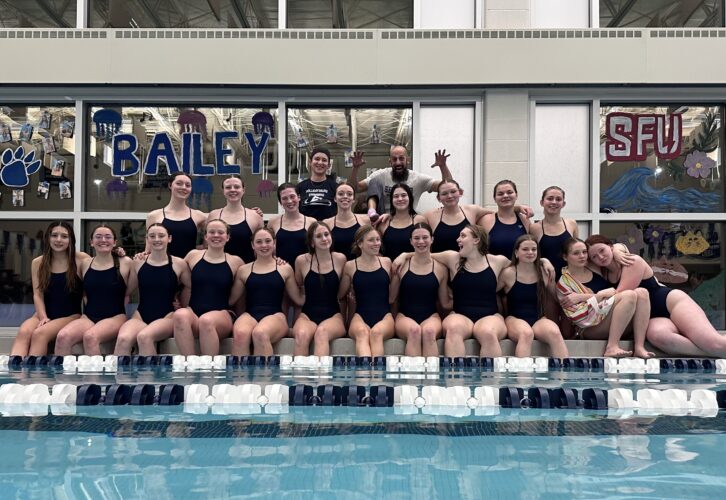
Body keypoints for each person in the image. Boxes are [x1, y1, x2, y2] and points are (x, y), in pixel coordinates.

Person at [586, 234, 726, 358]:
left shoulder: (632, 261)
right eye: (594, 257)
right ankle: (710, 353)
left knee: (714, 344)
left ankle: (715, 350)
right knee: (658, 337)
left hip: (671, 303)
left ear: (610, 247)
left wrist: (618, 249)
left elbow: (621, 294)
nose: (600, 257)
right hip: (652, 317)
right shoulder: (605, 273)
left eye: (602, 250)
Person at [557, 237, 650, 358]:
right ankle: (612, 347)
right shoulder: (564, 283)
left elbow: (610, 247)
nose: (582, 256)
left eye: (584, 252)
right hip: (589, 327)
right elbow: (579, 318)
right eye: (576, 253)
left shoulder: (594, 268)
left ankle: (639, 347)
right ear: (565, 257)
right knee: (629, 295)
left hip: (610, 319)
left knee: (642, 292)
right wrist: (601, 296)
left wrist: (616, 251)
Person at [55, 225, 136, 355]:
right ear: (91, 242)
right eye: (98, 237)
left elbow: (130, 290)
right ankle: (62, 369)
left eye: (108, 237)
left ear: (114, 242)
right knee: (62, 337)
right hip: (88, 317)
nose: (103, 240)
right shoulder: (85, 263)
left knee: (90, 337)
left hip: (115, 317)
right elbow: (84, 292)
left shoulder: (126, 262)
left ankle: (95, 370)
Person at [431, 225, 510, 358]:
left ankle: (489, 372)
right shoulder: (453, 258)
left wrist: (543, 261)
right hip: (460, 315)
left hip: (490, 317)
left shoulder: (497, 261)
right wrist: (404, 255)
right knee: (453, 330)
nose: (458, 239)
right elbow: (423, 255)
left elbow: (523, 264)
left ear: (476, 240)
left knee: (488, 333)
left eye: (463, 236)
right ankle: (455, 371)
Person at [114, 224, 191, 356]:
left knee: (144, 337)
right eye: (152, 236)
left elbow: (192, 287)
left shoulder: (179, 264)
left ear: (169, 238)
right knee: (123, 339)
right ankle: (119, 371)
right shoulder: (138, 262)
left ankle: (150, 371)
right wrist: (115, 254)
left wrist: (184, 306)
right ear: (147, 239)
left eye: (161, 236)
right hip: (140, 316)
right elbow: (127, 290)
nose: (157, 239)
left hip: (167, 316)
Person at [172, 219, 245, 356]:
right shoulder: (193, 256)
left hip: (222, 316)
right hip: (194, 313)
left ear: (228, 237)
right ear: (205, 236)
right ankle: (189, 362)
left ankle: (210, 366)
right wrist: (175, 298)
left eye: (220, 232)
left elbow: (241, 294)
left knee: (206, 320)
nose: (216, 235)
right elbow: (173, 274)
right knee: (180, 315)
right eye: (212, 232)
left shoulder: (236, 262)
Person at [12, 222, 84, 356]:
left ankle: (34, 369)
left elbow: (101, 264)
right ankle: (15, 368)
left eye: (64, 236)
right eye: (54, 235)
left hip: (70, 315)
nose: (58, 240)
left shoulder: (80, 259)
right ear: (48, 238)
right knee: (24, 332)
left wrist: (117, 253)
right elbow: (38, 295)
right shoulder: (38, 262)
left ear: (71, 240)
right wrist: (43, 317)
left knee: (40, 334)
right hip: (43, 314)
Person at [232, 227, 304, 356]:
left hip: (276, 316)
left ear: (274, 243)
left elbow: (298, 299)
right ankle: (240, 370)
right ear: (252, 245)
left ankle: (264, 370)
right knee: (240, 334)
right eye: (259, 242)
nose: (264, 245)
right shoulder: (243, 270)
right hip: (250, 315)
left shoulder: (284, 268)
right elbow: (232, 299)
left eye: (268, 241)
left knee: (260, 333)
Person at [499, 235, 568, 358]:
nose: (530, 252)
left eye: (534, 249)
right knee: (526, 334)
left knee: (555, 333)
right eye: (525, 249)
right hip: (514, 319)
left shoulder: (544, 272)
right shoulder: (508, 273)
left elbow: (557, 295)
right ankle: (522, 371)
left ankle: (563, 370)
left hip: (538, 319)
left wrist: (578, 301)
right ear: (516, 252)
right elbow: (488, 292)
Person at [389, 223, 450, 357]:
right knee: (414, 330)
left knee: (429, 331)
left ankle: (431, 371)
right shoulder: (402, 265)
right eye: (416, 238)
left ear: (432, 239)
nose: (421, 242)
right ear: (411, 241)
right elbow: (391, 298)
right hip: (404, 317)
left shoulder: (440, 268)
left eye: (425, 237)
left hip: (431, 316)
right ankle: (413, 371)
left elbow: (445, 303)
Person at [292, 222, 348, 356]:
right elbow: (299, 287)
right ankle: (301, 371)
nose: (324, 239)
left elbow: (344, 294)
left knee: (322, 333)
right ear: (312, 243)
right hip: (307, 316)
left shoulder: (340, 259)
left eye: (326, 234)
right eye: (318, 236)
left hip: (334, 316)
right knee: (301, 334)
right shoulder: (301, 261)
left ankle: (321, 371)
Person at [338, 226, 395, 357]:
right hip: (360, 316)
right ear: (360, 244)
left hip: (385, 316)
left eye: (378, 239)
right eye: (371, 240)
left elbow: (393, 297)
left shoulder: (386, 262)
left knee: (376, 333)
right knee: (362, 333)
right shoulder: (350, 266)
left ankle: (375, 371)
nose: (376, 243)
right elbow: (341, 295)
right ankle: (365, 370)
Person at [356, 147, 453, 216]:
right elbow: (357, 188)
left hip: (409, 219)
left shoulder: (417, 179)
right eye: (394, 159)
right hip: (384, 218)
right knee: (374, 181)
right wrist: (355, 168)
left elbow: (448, 186)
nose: (398, 162)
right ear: (390, 162)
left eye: (401, 158)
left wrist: (443, 166)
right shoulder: (382, 175)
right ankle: (372, 212)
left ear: (408, 160)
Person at [145, 172, 207, 258]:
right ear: (170, 185)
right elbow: (148, 249)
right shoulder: (154, 216)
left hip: (188, 265)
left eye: (188, 185)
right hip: (162, 264)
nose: (184, 187)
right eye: (179, 183)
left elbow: (210, 243)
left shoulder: (199, 216)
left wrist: (200, 252)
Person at [425, 179, 497, 253]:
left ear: (460, 192)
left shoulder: (472, 210)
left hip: (468, 260)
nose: (449, 196)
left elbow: (498, 215)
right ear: (438, 198)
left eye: (453, 191)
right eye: (444, 194)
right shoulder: (430, 216)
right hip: (439, 260)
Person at [207, 175, 263, 263]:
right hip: (219, 267)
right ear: (223, 191)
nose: (232, 190)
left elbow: (261, 248)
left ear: (243, 190)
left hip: (246, 267)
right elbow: (206, 246)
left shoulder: (255, 216)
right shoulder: (214, 215)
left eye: (237, 187)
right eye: (228, 187)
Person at [297, 147, 364, 220]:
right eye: (317, 159)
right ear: (310, 162)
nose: (320, 162)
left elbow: (351, 189)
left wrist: (355, 168)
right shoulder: (300, 187)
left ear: (329, 165)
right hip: (305, 226)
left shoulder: (335, 187)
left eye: (324, 160)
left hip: (330, 226)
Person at [529, 185, 579, 279]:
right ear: (542, 202)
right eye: (550, 198)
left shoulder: (571, 224)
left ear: (563, 204)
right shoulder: (534, 228)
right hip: (545, 278)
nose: (554, 202)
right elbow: (531, 256)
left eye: (558, 199)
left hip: (569, 280)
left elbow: (578, 251)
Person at [479, 180, 530, 258]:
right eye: (500, 194)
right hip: (494, 265)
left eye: (509, 192)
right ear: (494, 198)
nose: (505, 196)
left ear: (516, 195)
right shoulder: (485, 221)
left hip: (519, 265)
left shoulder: (525, 220)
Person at [268, 183, 313, 269]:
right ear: (280, 202)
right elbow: (268, 248)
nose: (289, 201)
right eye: (284, 198)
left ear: (299, 197)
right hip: (281, 269)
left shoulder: (311, 222)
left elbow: (317, 249)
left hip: (305, 269)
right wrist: (274, 258)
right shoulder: (273, 222)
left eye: (292, 196)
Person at [323, 182, 371, 260]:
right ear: (335, 198)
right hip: (336, 266)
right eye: (341, 194)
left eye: (349, 194)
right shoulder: (327, 223)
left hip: (360, 266)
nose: (345, 196)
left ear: (354, 199)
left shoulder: (365, 220)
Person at [379, 183, 426, 260]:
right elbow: (377, 250)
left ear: (410, 198)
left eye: (404, 195)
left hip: (415, 266)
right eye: (396, 196)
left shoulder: (419, 220)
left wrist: (406, 256)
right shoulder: (384, 222)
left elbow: (427, 250)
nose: (400, 199)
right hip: (389, 267)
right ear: (391, 200)